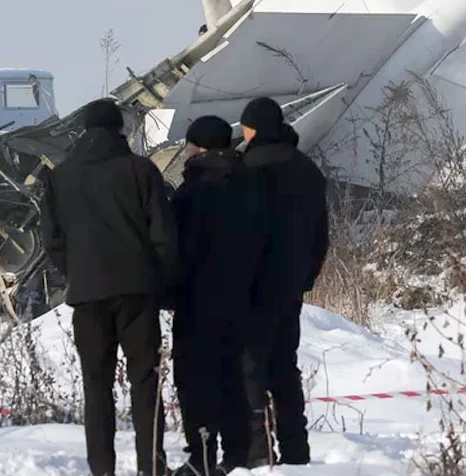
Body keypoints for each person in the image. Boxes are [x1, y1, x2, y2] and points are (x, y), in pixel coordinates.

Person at [40, 99, 180, 476]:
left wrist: (78, 271)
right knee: (145, 380)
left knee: (96, 386)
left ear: (84, 130)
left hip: (87, 294)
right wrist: (161, 281)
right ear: (120, 129)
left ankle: (102, 469)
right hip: (137, 291)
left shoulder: (61, 176)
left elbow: (51, 240)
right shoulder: (141, 170)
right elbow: (163, 236)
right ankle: (152, 466)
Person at [169, 116, 265, 475]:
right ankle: (239, 454)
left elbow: (171, 248)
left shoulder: (189, 193)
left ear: (200, 147)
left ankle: (203, 457)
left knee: (197, 380)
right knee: (237, 376)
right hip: (246, 298)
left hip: (197, 301)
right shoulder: (252, 187)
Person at [238, 97, 329, 467]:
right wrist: (304, 277)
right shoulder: (308, 170)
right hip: (290, 285)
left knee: (251, 367)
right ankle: (296, 450)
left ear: (254, 128)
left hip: (253, 284)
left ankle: (259, 453)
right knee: (285, 368)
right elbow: (320, 235)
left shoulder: (246, 168)